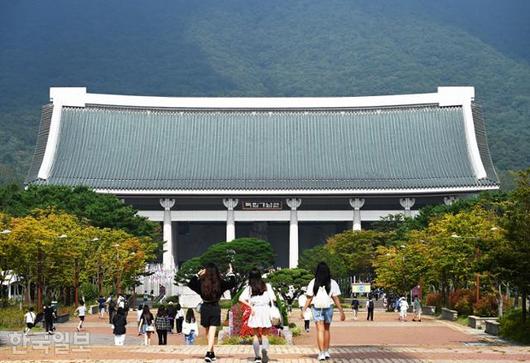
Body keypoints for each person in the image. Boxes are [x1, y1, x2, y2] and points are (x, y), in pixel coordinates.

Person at [188, 262, 236, 362]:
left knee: (207, 331)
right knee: (212, 330)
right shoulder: (219, 282)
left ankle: (211, 353)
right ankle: (210, 353)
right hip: (215, 307)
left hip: (204, 307)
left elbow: (190, 283)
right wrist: (230, 272)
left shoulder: (202, 282)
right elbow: (232, 283)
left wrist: (198, 274)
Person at [302, 262, 346, 361]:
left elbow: (309, 298)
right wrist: (341, 311)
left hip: (317, 307)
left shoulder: (313, 282)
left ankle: (321, 353)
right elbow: (335, 298)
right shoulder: (332, 282)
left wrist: (303, 310)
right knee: (327, 329)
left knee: (320, 330)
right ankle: (326, 351)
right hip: (328, 307)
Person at [239, 268, 276, 363]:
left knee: (255, 335)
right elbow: (274, 298)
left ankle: (257, 357)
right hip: (266, 310)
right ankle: (265, 351)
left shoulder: (249, 287)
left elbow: (240, 299)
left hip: (255, 310)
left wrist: (250, 306)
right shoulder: (267, 286)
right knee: (265, 335)